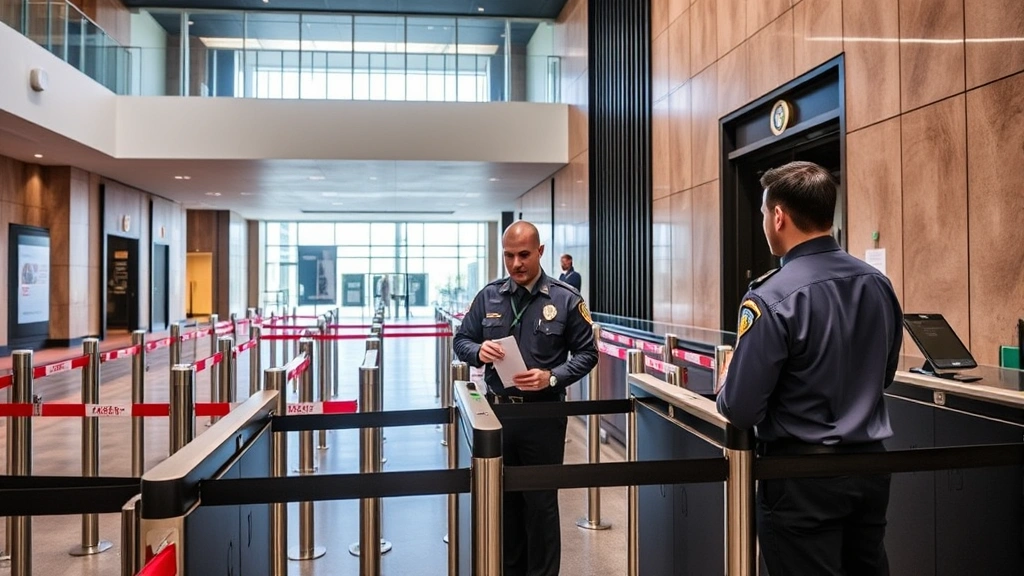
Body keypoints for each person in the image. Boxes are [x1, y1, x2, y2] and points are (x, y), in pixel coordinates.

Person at [716, 161, 903, 575]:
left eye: (765, 212)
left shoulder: (771, 297)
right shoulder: (877, 283)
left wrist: (729, 378)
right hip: (871, 469)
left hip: (801, 479)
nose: (765, 221)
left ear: (778, 216)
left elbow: (741, 409)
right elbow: (883, 375)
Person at [454, 221, 598, 576]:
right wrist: (478, 351)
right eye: (508, 255)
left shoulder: (565, 299)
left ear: (540, 252)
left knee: (541, 505)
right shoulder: (489, 295)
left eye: (523, 255)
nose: (515, 263)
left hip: (544, 416)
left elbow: (587, 353)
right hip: (497, 416)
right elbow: (461, 340)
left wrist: (552, 376)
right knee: (505, 504)